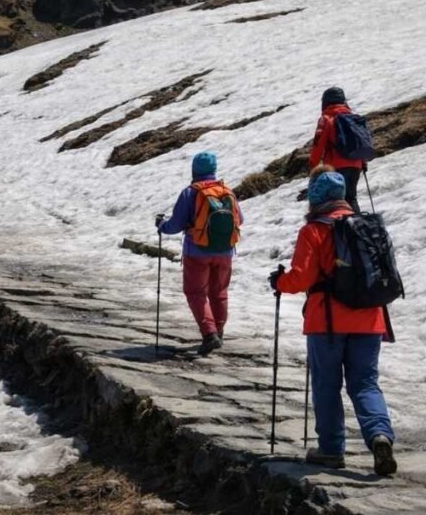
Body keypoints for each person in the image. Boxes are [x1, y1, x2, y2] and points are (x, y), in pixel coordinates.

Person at [268, 167, 397, 476]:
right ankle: (379, 435)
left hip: (327, 320)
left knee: (327, 384)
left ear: (316, 197)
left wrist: (279, 282)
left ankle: (331, 449)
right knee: (365, 382)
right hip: (369, 318)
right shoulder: (367, 226)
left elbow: (301, 278)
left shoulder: (314, 230)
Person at [156, 152, 243, 355]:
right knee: (219, 292)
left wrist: (161, 225)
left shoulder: (190, 193)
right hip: (225, 251)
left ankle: (209, 333)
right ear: (213, 170)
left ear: (194, 170)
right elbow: (241, 219)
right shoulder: (226, 191)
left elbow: (175, 225)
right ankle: (218, 332)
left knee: (196, 293)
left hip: (196, 251)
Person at [310, 87, 366, 212]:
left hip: (336, 167)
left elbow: (318, 145)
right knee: (351, 198)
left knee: (337, 202)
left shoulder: (326, 119)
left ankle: (345, 228)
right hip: (356, 165)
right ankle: (357, 226)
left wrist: (314, 167)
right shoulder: (352, 118)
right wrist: (362, 163)